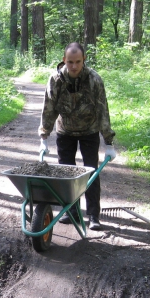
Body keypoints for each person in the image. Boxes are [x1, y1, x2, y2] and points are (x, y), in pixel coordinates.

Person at [39, 42, 117, 231]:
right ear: (64, 60)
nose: (74, 66)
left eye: (78, 62)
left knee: (91, 173)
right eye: (70, 62)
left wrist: (108, 141)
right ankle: (71, 211)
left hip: (89, 131)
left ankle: (93, 215)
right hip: (65, 132)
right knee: (66, 174)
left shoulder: (94, 80)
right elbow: (48, 109)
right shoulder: (56, 80)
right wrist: (43, 137)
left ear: (84, 60)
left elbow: (102, 110)